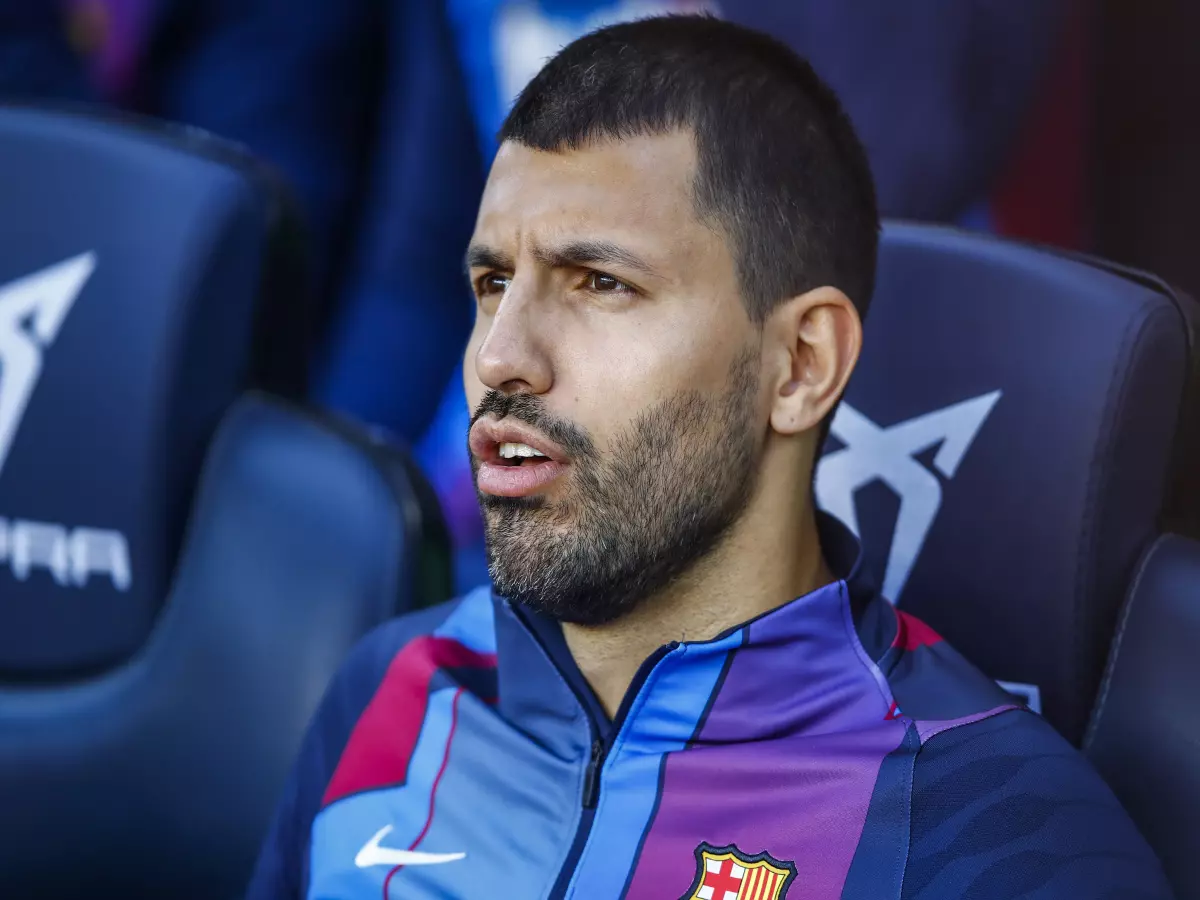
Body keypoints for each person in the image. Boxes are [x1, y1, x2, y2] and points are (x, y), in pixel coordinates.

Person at [244, 16, 1170, 900]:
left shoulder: (996, 838)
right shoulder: (393, 686)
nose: (500, 357)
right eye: (493, 283)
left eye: (600, 283)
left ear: (800, 365)